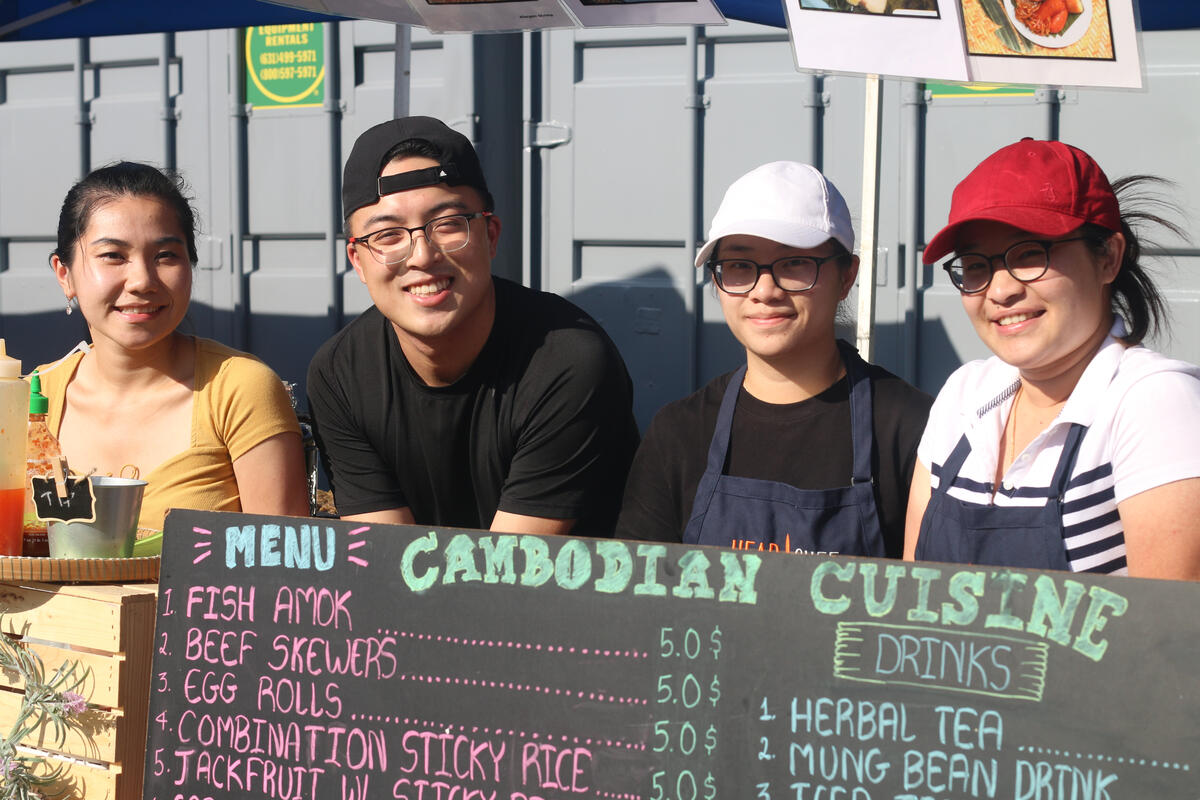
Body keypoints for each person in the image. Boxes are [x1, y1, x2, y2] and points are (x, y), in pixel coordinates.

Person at [306, 116, 639, 536]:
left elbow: (507, 572)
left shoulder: (568, 361)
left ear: (491, 235)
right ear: (357, 260)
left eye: (447, 225)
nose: (422, 256)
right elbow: (381, 557)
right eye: (388, 235)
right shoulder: (340, 375)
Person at [904, 138, 1200, 579]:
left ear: (1108, 259)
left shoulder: (1154, 402)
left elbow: (1162, 637)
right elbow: (910, 596)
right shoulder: (964, 396)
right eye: (976, 266)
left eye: (1030, 255)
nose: (1001, 291)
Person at [615, 162, 932, 556]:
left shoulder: (913, 429)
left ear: (847, 276)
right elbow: (642, 601)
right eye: (739, 266)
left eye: (795, 263)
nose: (764, 291)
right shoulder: (679, 433)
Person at [43, 161, 309, 542]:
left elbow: (282, 573)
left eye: (165, 255)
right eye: (113, 256)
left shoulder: (239, 389)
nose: (142, 281)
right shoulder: (27, 401)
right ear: (64, 274)